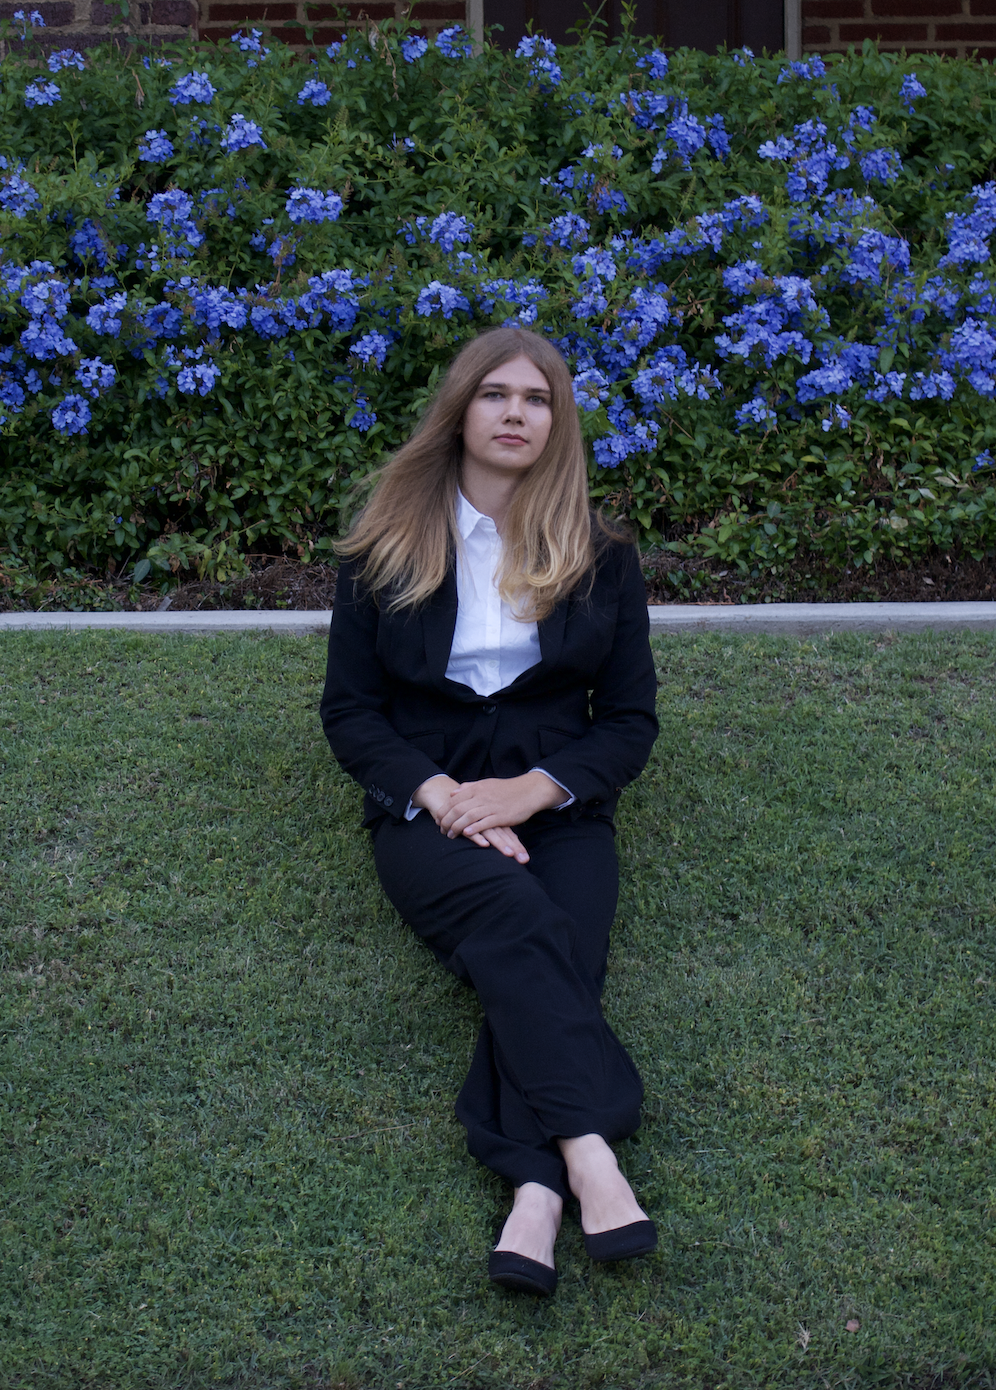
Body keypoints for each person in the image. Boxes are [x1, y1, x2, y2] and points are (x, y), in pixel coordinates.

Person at [320, 326, 659, 1297]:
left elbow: (629, 723)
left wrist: (533, 792)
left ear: (559, 422)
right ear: (460, 411)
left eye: (539, 398)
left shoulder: (601, 558)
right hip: (427, 803)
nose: (517, 413)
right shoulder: (383, 550)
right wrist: (448, 801)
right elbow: (350, 713)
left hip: (558, 803)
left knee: (559, 949)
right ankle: (587, 1152)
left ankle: (533, 1193)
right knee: (521, 921)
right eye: (497, 394)